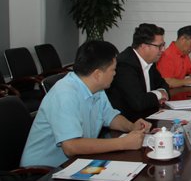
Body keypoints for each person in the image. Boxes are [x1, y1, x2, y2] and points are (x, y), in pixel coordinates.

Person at [20, 40, 151, 168]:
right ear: (97, 74)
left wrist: (131, 127)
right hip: (43, 172)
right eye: (112, 70)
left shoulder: (97, 89)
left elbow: (110, 117)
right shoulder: (65, 94)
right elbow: (71, 146)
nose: (114, 73)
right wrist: (122, 143)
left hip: (76, 162)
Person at [107, 23, 170, 120]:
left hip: (144, 117)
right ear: (144, 47)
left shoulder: (150, 61)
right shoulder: (125, 65)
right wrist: (159, 94)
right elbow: (139, 102)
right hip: (126, 122)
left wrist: (160, 93)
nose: (163, 49)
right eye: (160, 46)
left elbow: (163, 84)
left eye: (163, 45)